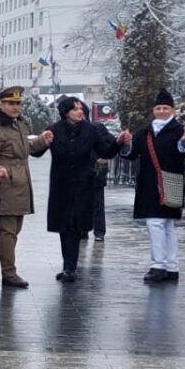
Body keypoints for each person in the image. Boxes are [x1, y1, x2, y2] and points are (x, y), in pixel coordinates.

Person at [43, 96, 125, 284]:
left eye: (81, 108)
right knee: (64, 226)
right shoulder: (54, 129)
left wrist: (118, 142)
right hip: (61, 185)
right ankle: (67, 265)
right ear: (65, 113)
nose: (80, 112)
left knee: (75, 226)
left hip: (83, 184)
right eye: (75, 109)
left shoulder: (91, 130)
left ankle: (70, 268)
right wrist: (42, 140)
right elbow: (37, 151)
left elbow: (105, 151)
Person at [0, 87, 50, 289]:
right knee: (8, 232)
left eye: (18, 103)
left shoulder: (19, 124)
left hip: (20, 184)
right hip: (6, 186)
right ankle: (9, 273)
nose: (15, 107)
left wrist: (42, 141)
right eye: (11, 103)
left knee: (11, 231)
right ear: (1, 104)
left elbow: (25, 150)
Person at [126, 90, 185, 283]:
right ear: (153, 110)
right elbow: (132, 154)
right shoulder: (144, 132)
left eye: (166, 108)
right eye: (158, 108)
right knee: (163, 224)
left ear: (173, 110)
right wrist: (125, 143)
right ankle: (171, 266)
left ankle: (159, 265)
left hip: (171, 181)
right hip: (148, 183)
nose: (161, 111)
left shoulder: (180, 130)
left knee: (161, 224)